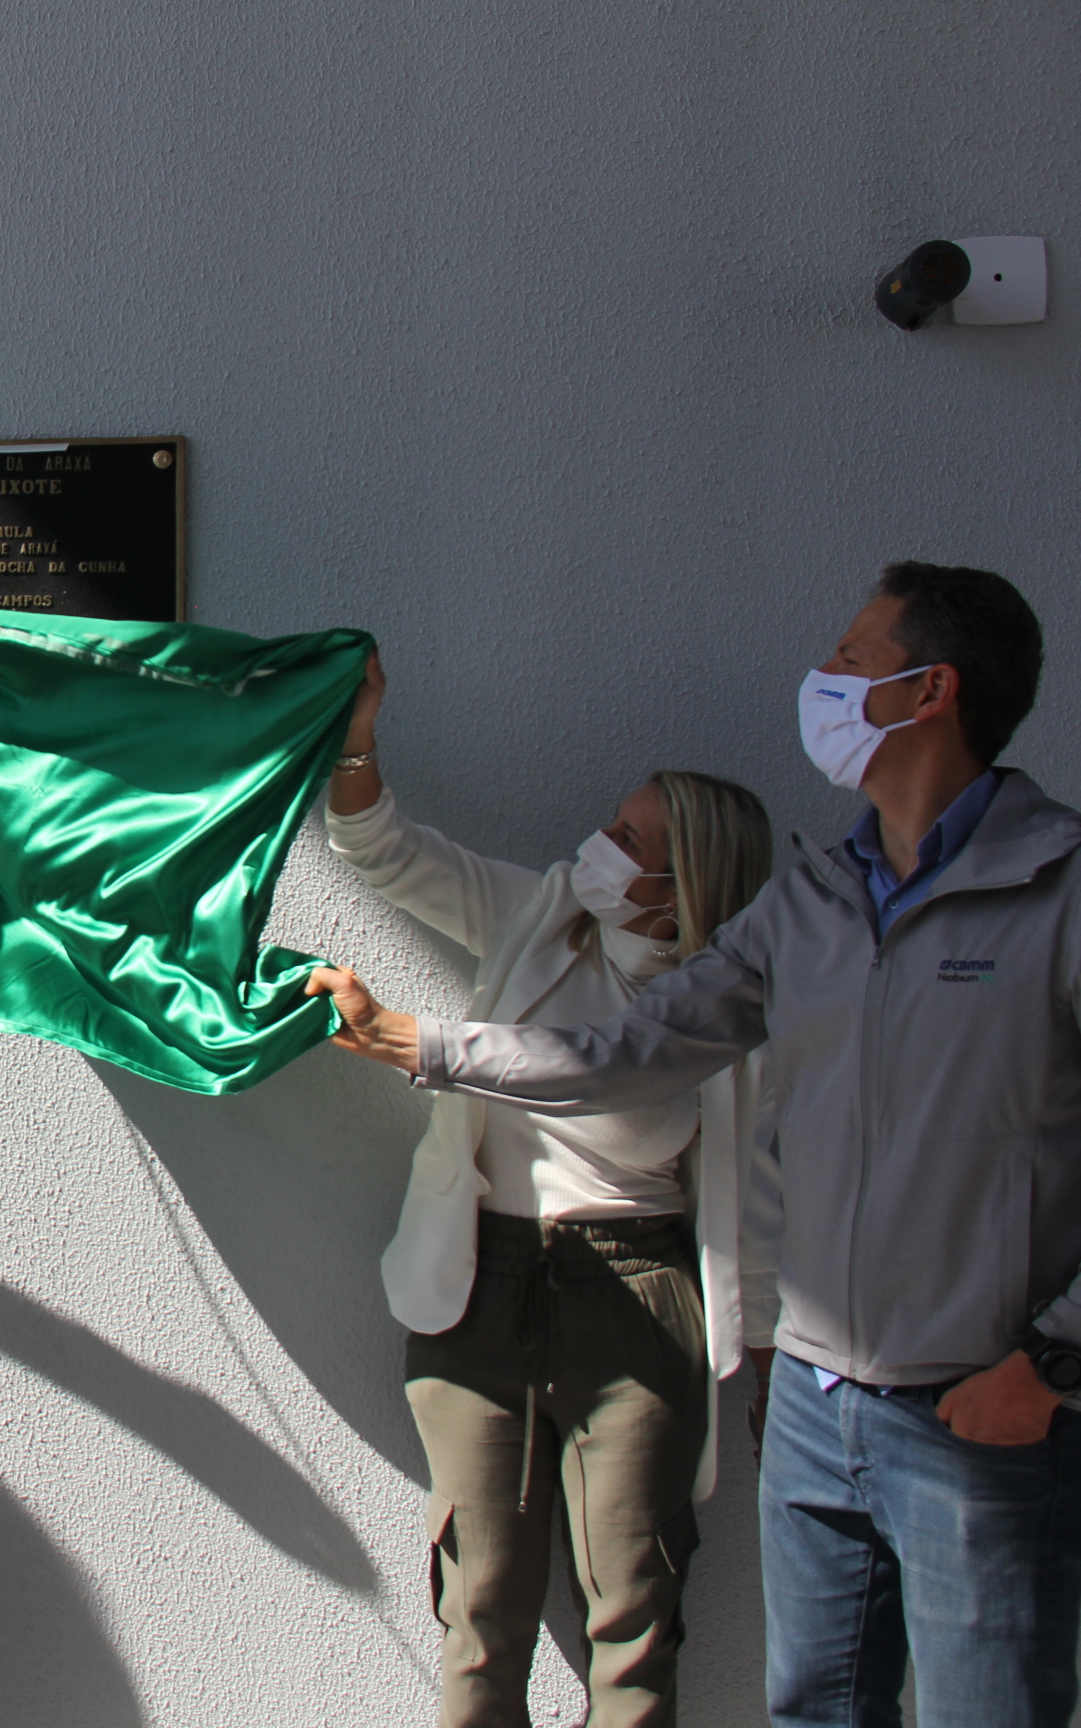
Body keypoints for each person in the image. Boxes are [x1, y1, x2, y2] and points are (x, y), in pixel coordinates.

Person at [310, 563, 1080, 1728]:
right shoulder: (816, 903)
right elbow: (624, 1054)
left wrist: (1051, 1364)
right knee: (809, 1707)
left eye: (853, 662)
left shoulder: (1058, 889)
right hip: (821, 1410)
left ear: (931, 695)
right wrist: (425, 1045)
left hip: (971, 1412)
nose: (821, 681)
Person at [323, 652, 773, 1727]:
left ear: (690, 883)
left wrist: (762, 1341)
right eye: (611, 827)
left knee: (635, 1615)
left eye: (631, 843)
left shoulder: (726, 1001)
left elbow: (727, 1159)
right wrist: (356, 735)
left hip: (638, 1287)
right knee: (480, 1608)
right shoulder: (540, 914)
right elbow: (378, 846)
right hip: (481, 1277)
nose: (599, 851)